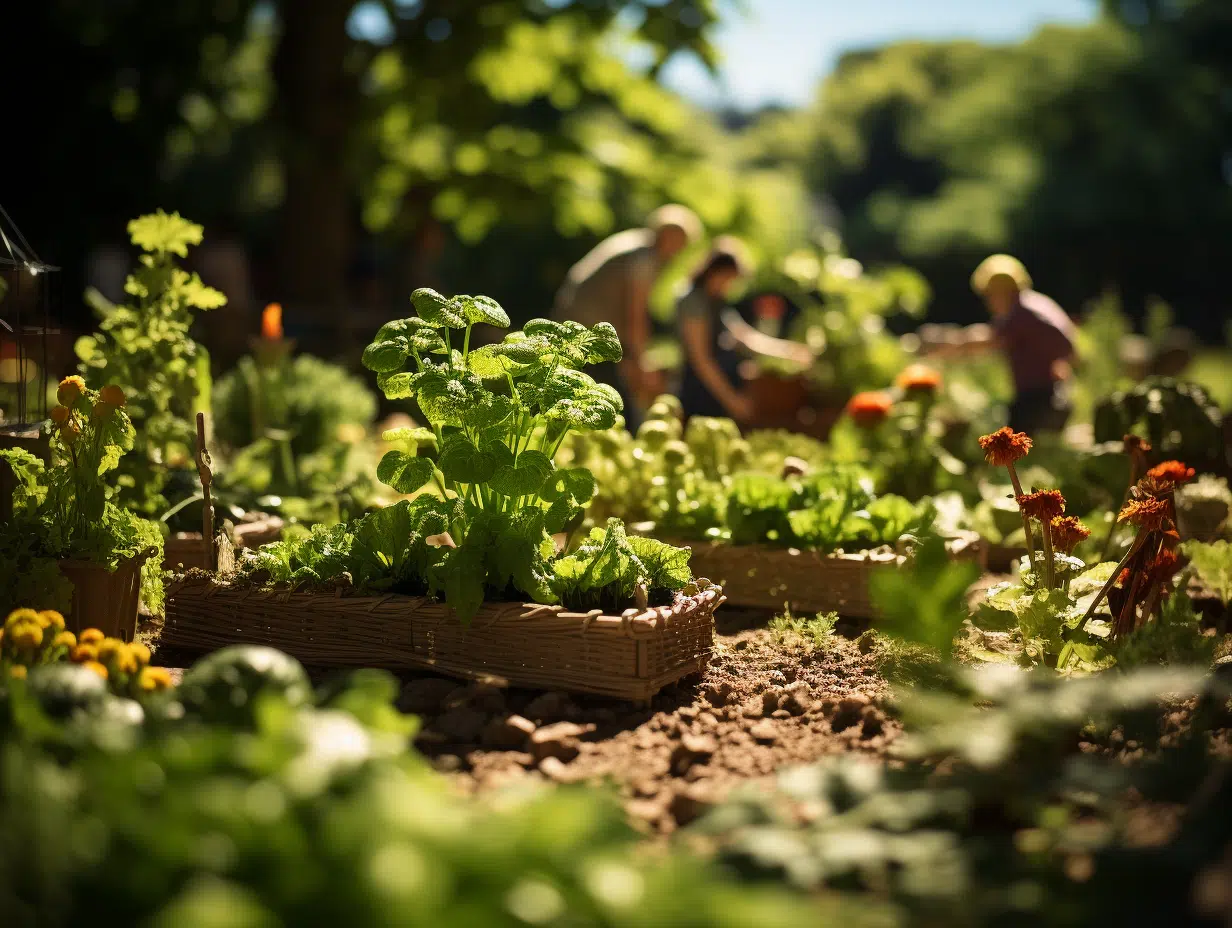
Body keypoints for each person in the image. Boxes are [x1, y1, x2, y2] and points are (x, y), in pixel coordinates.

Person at [553, 205, 702, 427]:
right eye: (679, 242)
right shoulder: (645, 257)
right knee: (610, 405)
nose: (679, 251)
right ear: (666, 234)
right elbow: (636, 315)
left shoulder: (636, 244)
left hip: (578, 325)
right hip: (586, 332)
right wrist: (639, 361)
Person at [936, 255, 1076, 435]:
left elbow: (989, 339)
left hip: (1039, 399)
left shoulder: (1021, 313)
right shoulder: (1033, 305)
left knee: (1010, 450)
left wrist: (948, 344)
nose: (989, 301)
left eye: (989, 294)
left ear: (1002, 290)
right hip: (1054, 394)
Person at [676, 238, 813, 422]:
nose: (731, 287)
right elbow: (701, 360)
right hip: (700, 391)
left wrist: (790, 351)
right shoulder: (693, 301)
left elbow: (745, 337)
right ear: (717, 272)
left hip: (718, 388)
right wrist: (732, 400)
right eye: (730, 280)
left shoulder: (717, 301)